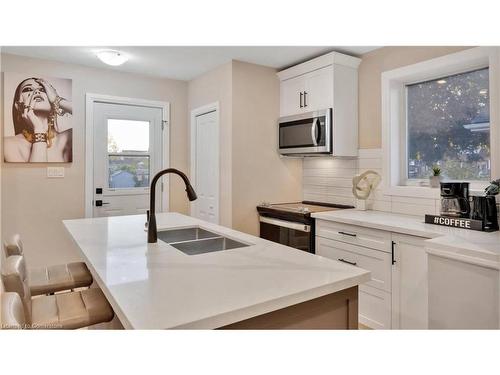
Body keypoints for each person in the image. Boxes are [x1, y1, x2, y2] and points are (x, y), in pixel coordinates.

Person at [4, 78, 72, 162]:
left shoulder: (68, 138)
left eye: (43, 89)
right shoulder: (6, 144)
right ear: (18, 105)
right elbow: (37, 174)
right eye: (28, 89)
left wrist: (57, 100)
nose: (36, 92)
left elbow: (87, 113)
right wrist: (38, 129)